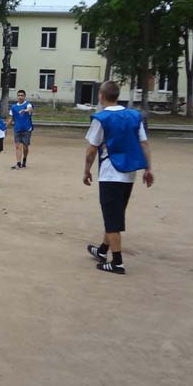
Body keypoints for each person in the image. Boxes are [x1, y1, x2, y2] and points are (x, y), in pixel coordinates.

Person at [83, 80, 154, 274]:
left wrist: (87, 170)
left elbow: (91, 150)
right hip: (129, 174)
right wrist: (148, 168)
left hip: (110, 173)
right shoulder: (134, 116)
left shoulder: (101, 118)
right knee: (115, 215)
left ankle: (117, 262)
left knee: (112, 219)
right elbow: (144, 144)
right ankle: (102, 250)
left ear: (101, 96)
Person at [7, 89, 34, 169]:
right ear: (17, 96)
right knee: (18, 146)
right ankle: (18, 163)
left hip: (26, 129)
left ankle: (24, 159)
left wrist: (25, 110)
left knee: (25, 147)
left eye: (22, 95)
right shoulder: (13, 107)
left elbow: (30, 109)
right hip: (17, 129)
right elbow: (11, 118)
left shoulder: (28, 104)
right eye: (19, 95)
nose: (20, 97)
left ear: (24, 96)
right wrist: (5, 127)